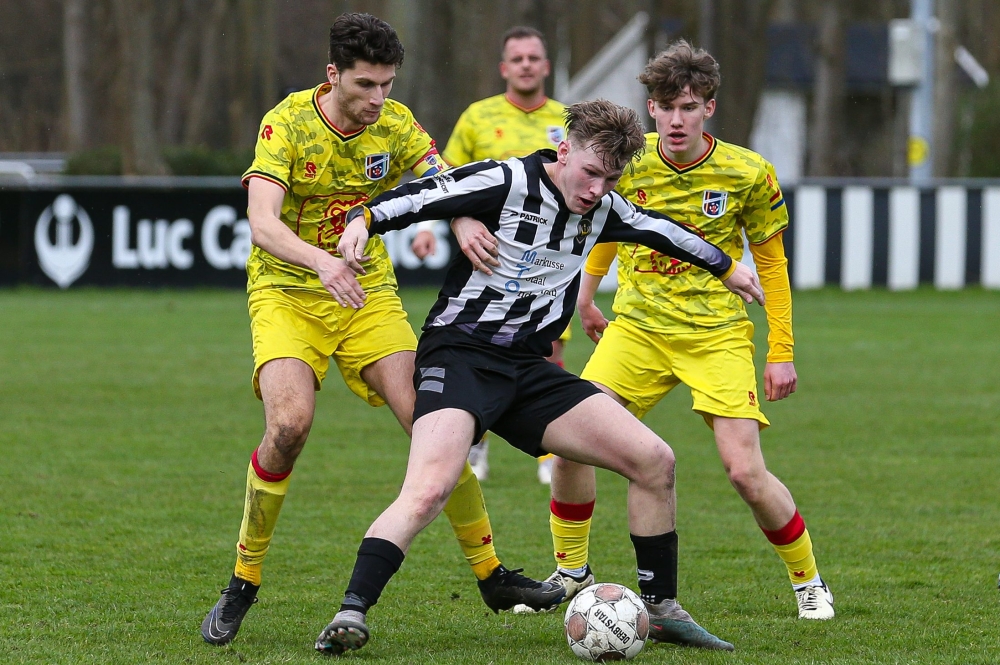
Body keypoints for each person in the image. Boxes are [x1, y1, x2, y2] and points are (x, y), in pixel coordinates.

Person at [313, 99, 765, 655]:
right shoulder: (504, 180)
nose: (598, 188)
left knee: (655, 460)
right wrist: (362, 222)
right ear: (564, 150)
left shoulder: (604, 211)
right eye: (591, 172)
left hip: (528, 370)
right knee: (431, 486)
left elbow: (664, 231)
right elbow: (418, 197)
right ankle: (351, 611)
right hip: (460, 356)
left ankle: (662, 608)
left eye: (611, 178)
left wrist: (727, 267)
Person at [200, 13, 562, 648]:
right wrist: (322, 263)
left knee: (437, 423)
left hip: (368, 298)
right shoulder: (286, 124)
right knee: (288, 428)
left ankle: (492, 574)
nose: (377, 100)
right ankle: (243, 580)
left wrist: (460, 224)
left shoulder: (394, 123)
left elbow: (445, 180)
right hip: (289, 291)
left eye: (387, 85)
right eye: (366, 85)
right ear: (334, 73)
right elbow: (262, 222)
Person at [532, 40, 834, 621]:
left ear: (709, 110)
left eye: (689, 106)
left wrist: (782, 351)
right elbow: (608, 228)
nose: (676, 118)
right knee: (567, 443)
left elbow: (771, 266)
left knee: (745, 470)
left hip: (716, 332)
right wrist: (587, 300)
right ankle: (572, 572)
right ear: (650, 108)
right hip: (638, 328)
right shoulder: (630, 160)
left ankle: (808, 582)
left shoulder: (747, 171)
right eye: (665, 105)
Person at [443, 25, 569, 485]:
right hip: (487, 253)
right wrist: (444, 226)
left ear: (546, 65)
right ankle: (475, 449)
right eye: (517, 59)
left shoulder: (567, 120)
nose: (526, 65)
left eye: (534, 58)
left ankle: (548, 453)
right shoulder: (478, 117)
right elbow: (449, 179)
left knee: (547, 347)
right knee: (478, 348)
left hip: (548, 259)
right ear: (504, 68)